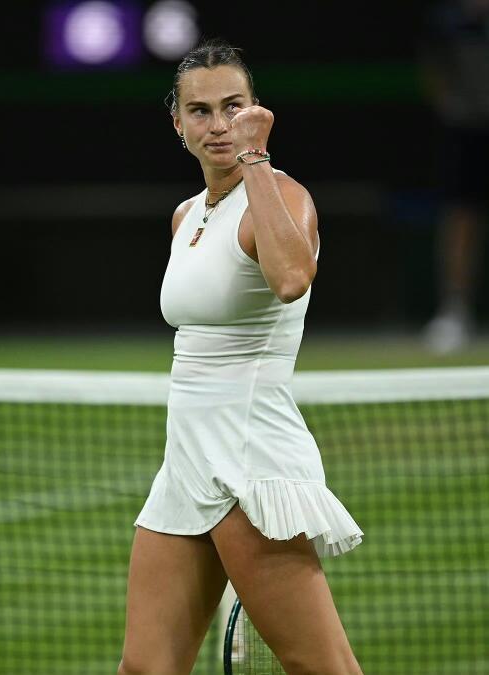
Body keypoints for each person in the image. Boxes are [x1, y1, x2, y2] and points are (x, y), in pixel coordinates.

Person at [117, 38, 364, 675]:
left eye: (234, 107)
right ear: (178, 124)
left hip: (248, 463)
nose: (219, 124)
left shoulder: (283, 196)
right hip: (185, 464)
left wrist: (256, 160)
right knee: (145, 668)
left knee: (321, 667)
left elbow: (292, 278)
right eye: (200, 111)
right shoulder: (186, 216)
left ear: (256, 111)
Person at [418, 0, 489, 353]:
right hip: (464, 131)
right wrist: (451, 104)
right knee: (460, 220)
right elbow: (432, 68)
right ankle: (455, 312)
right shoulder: (444, 21)